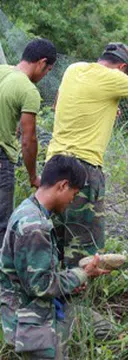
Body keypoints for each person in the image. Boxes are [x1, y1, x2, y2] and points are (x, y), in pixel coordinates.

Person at [46, 41, 128, 268]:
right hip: (81, 171)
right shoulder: (114, 77)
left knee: (54, 240)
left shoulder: (73, 69)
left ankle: (51, 299)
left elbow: (57, 105)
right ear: (122, 67)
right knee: (82, 249)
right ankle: (77, 302)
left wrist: (105, 106)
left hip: (52, 166)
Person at [0, 155, 110, 359]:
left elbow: (38, 273)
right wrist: (82, 273)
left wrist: (72, 281)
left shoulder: (31, 210)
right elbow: (41, 285)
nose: (72, 201)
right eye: (74, 194)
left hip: (43, 306)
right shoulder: (34, 226)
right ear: (63, 186)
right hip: (29, 320)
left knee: (103, 328)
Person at [0, 38, 57, 243]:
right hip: (1, 157)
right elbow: (28, 140)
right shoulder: (28, 90)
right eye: (48, 71)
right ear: (42, 63)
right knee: (1, 225)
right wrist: (33, 176)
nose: (44, 76)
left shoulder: (2, 70)